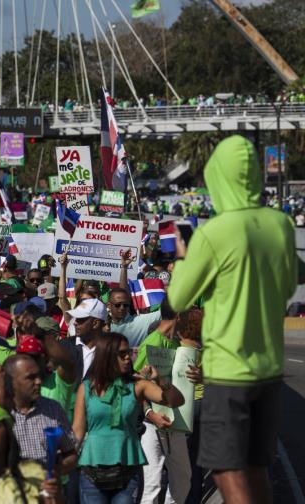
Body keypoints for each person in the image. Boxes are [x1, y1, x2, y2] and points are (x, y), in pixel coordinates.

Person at [167, 136, 298, 504]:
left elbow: (178, 299)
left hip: (227, 371)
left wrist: (183, 257)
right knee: (257, 469)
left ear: (217, 177)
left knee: (227, 471)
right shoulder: (282, 224)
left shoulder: (214, 231)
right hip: (269, 370)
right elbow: (290, 285)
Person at [72, 333, 185, 504]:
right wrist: (63, 462)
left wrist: (160, 380)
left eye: (129, 353)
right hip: (91, 471)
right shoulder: (87, 388)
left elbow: (176, 401)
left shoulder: (138, 386)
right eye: (122, 354)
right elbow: (77, 431)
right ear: (107, 356)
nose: (128, 358)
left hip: (128, 470)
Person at [133, 307, 203, 504]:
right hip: (152, 424)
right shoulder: (152, 343)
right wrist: (149, 413)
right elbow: (134, 384)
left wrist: (201, 376)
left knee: (183, 479)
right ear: (179, 316)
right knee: (152, 485)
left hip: (175, 421)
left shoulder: (175, 343)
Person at [0, 354, 77, 474]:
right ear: (12, 381)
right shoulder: (0, 412)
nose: (39, 381)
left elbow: (71, 453)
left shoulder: (53, 409)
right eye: (30, 378)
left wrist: (55, 471)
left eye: (39, 376)